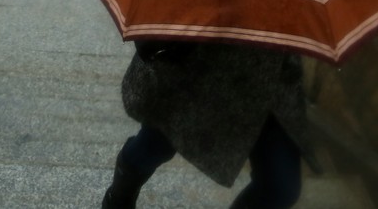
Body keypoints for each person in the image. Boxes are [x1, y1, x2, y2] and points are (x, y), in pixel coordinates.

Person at [102, 41, 312, 209]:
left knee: (281, 187)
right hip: (198, 67)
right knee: (154, 147)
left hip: (272, 75)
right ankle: (118, 196)